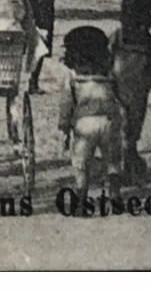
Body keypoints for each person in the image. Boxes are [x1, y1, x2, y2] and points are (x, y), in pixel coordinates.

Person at [58, 25, 124, 201]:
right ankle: (115, 192)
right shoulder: (110, 74)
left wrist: (64, 126)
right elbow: (121, 97)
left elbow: (66, 104)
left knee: (81, 160)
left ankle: (81, 194)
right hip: (110, 120)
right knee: (113, 159)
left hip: (85, 124)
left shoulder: (72, 77)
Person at [109, 0, 151, 179]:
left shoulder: (117, 36)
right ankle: (129, 154)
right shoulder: (147, 41)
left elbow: (105, 58)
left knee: (122, 123)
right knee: (133, 124)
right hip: (139, 90)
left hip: (117, 87)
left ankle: (125, 157)